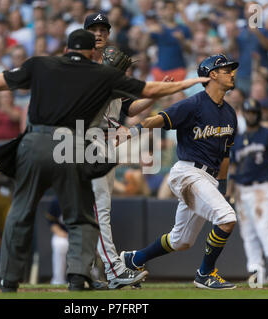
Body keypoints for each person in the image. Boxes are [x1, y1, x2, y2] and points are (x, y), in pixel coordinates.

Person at [0, 29, 209, 292]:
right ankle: (93, 273)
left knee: (23, 210)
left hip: (40, 141)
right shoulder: (102, 76)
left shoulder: (43, 64)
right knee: (85, 214)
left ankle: (12, 279)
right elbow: (145, 89)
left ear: (66, 49)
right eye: (121, 66)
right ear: (92, 53)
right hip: (80, 144)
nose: (125, 70)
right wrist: (188, 82)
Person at [120, 54, 239, 289]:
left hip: (208, 178)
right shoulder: (194, 103)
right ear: (212, 75)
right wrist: (131, 132)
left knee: (181, 240)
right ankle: (205, 274)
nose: (232, 73)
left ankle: (133, 260)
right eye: (226, 70)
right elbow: (160, 119)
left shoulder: (230, 113)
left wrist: (222, 187)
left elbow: (225, 155)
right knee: (227, 218)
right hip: (187, 172)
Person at [84, 13, 172, 289]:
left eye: (103, 29)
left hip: (104, 142)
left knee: (89, 213)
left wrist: (154, 95)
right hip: (85, 141)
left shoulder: (111, 69)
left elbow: (127, 108)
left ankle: (83, 273)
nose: (99, 33)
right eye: (93, 29)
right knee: (100, 211)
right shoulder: (79, 67)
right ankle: (114, 270)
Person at [228, 98, 268, 284]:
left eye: (253, 112)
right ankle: (256, 270)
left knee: (263, 226)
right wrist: (229, 194)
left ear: (258, 114)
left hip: (262, 187)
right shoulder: (237, 140)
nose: (250, 116)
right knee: (248, 232)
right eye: (247, 113)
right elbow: (233, 169)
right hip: (241, 189)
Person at [45, 198, 69, 285]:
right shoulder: (57, 200)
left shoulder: (81, 198)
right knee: (60, 244)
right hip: (63, 234)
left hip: (80, 234)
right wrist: (60, 233)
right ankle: (58, 280)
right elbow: (51, 222)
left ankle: (89, 279)